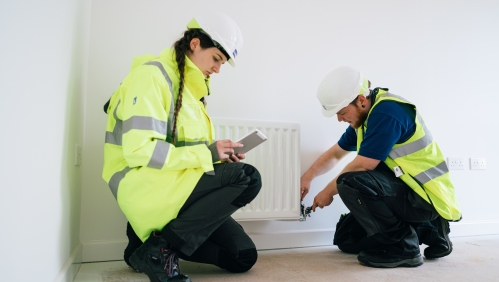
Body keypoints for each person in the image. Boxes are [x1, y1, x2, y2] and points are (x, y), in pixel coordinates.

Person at [102, 12, 262, 282]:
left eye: (222, 63)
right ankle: (161, 250)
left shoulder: (192, 92)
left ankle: (143, 248)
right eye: (216, 59)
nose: (217, 69)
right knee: (247, 177)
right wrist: (208, 153)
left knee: (242, 256)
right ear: (195, 43)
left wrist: (217, 158)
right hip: (147, 185)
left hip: (178, 186)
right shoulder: (151, 77)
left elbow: (186, 154)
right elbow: (139, 150)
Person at [300, 66, 461, 268]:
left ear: (361, 100)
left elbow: (363, 165)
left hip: (424, 197)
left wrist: (327, 192)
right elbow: (335, 153)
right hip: (404, 194)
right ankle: (430, 230)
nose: (340, 119)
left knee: (349, 181)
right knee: (347, 239)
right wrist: (308, 177)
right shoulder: (363, 121)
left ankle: (403, 248)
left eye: (342, 112)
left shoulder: (388, 112)